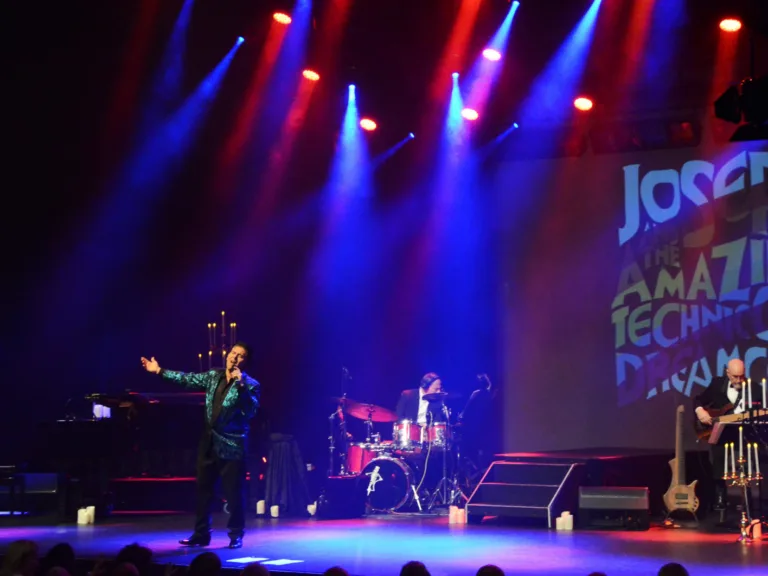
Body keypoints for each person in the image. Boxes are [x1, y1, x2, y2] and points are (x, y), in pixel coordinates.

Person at [141, 342, 260, 549]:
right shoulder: (214, 376)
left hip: (232, 445)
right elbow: (187, 379)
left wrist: (241, 386)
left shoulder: (250, 385)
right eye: (233, 352)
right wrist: (159, 371)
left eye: (240, 355)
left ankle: (236, 534)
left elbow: (251, 411)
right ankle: (201, 533)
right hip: (209, 443)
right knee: (203, 490)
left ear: (245, 361)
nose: (234, 357)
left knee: (233, 493)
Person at [693, 358, 748, 510]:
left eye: (741, 376)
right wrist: (700, 411)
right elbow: (698, 400)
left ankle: (746, 498)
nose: (738, 380)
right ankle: (720, 495)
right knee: (718, 459)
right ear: (727, 373)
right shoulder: (717, 384)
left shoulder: (752, 387)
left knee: (746, 461)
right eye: (735, 376)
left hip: (741, 432)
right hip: (720, 432)